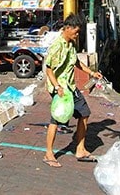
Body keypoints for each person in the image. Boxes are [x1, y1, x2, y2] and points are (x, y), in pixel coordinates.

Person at [43, 14, 103, 168]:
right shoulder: (57, 46)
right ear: (67, 28)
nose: (77, 35)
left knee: (84, 113)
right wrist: (57, 87)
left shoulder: (71, 44)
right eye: (75, 32)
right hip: (60, 88)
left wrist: (91, 73)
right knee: (56, 119)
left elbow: (76, 62)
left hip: (70, 87)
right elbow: (48, 69)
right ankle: (49, 154)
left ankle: (80, 149)